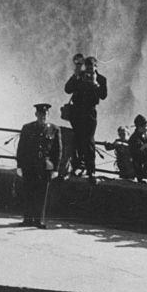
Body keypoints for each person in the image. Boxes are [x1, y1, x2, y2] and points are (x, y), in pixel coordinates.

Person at [16, 103, 62, 229]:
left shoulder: (54, 129)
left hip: (45, 166)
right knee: (28, 192)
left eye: (45, 114)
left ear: (48, 115)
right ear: (36, 114)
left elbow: (57, 151)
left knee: (41, 194)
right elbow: (21, 148)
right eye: (40, 114)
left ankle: (38, 220)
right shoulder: (27, 128)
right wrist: (19, 166)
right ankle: (27, 219)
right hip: (29, 165)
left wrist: (56, 169)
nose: (43, 116)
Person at [63, 55, 107, 183]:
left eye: (91, 67)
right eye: (87, 68)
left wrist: (95, 84)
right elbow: (67, 89)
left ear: (96, 67)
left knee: (89, 141)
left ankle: (91, 170)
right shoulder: (80, 75)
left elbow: (103, 95)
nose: (89, 70)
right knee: (76, 139)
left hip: (90, 113)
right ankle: (76, 167)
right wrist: (76, 75)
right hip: (76, 112)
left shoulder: (101, 79)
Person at [128, 115, 147, 182]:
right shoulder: (133, 138)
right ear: (139, 127)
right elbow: (133, 153)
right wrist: (143, 147)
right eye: (145, 126)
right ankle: (140, 179)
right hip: (138, 162)